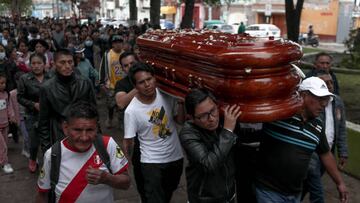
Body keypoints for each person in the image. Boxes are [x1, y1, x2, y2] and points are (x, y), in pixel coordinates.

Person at [255, 77, 349, 203]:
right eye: (319, 99)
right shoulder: (278, 116)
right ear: (303, 95)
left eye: (325, 100)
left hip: (295, 194)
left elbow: (325, 154)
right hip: (268, 190)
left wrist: (340, 182)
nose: (324, 104)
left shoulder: (317, 126)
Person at [36, 101, 130, 203]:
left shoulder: (107, 145)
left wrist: (107, 178)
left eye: (90, 130)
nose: (84, 137)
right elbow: (42, 194)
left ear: (97, 127)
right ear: (65, 128)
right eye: (78, 130)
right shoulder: (53, 155)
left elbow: (126, 183)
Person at [123, 62, 184, 203]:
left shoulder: (166, 95)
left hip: (175, 157)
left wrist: (181, 103)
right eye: (141, 82)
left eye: (149, 79)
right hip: (151, 162)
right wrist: (128, 163)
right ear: (135, 86)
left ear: (154, 78)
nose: (147, 84)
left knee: (169, 192)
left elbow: (180, 121)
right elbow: (128, 141)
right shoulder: (131, 111)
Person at [179, 88, 241, 203]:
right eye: (203, 116)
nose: (211, 119)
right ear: (191, 118)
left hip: (229, 195)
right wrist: (227, 131)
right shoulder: (188, 133)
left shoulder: (224, 120)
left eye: (213, 110)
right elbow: (208, 164)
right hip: (205, 199)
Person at [37, 49, 96, 153]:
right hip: (59, 135)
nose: (67, 66)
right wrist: (47, 149)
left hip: (84, 134)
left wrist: (97, 140)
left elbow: (94, 113)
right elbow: (43, 121)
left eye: (70, 62)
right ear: (54, 64)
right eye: (62, 62)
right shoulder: (47, 88)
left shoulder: (85, 83)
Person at [302, 71, 348, 203]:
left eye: (331, 82)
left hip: (327, 152)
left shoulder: (337, 102)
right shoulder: (312, 111)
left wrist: (343, 151)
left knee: (305, 186)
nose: (329, 85)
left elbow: (342, 129)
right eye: (324, 83)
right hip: (312, 155)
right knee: (317, 191)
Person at [113, 51, 145, 201]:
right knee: (140, 171)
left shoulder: (149, 77)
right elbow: (121, 102)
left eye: (132, 63)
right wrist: (140, 84)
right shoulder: (122, 84)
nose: (129, 67)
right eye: (126, 66)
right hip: (136, 135)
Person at [17, 53, 51, 172]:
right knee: (34, 142)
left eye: (39, 63)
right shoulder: (25, 78)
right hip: (32, 115)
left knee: (49, 141)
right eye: (33, 63)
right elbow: (19, 97)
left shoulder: (51, 77)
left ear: (44, 64)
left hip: (49, 115)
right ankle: (32, 159)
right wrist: (33, 104)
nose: (36, 66)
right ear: (30, 65)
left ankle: (49, 163)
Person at [99, 35, 125, 128]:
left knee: (123, 105)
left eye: (120, 42)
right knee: (111, 105)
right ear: (112, 44)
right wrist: (102, 82)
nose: (118, 44)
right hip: (112, 86)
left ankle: (121, 121)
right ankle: (110, 118)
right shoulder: (108, 54)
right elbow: (103, 68)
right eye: (116, 43)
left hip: (123, 85)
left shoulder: (125, 54)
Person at [0, 73, 16, 174]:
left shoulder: (6, 94)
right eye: (0, 83)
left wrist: (12, 116)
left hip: (5, 124)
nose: (3, 85)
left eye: (4, 83)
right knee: (3, 146)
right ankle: (4, 163)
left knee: (5, 144)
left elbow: (9, 107)